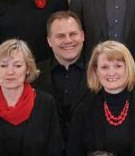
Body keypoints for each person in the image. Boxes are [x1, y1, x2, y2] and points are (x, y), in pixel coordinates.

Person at [33, 11, 92, 141]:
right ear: (49, 41)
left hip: (90, 148)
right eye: (60, 36)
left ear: (82, 36)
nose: (68, 40)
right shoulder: (34, 74)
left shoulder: (99, 70)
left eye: (73, 34)